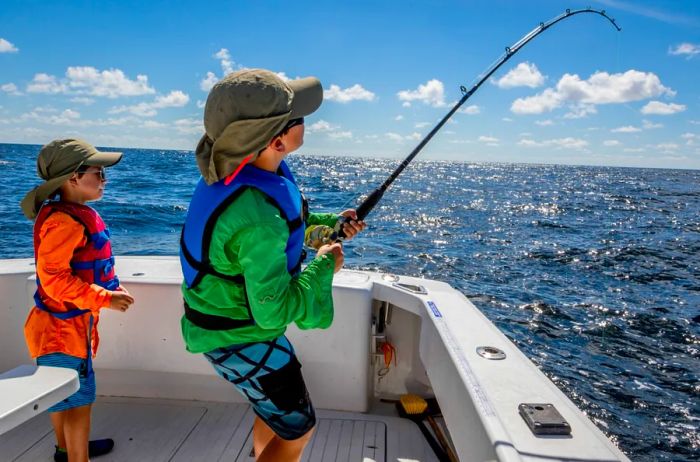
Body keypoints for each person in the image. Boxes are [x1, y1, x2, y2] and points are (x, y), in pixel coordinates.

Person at [180, 69, 365, 461]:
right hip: (240, 339)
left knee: (274, 414)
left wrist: (331, 226)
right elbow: (272, 311)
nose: (304, 120)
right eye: (296, 116)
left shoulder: (247, 170)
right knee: (300, 428)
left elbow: (289, 225)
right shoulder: (257, 217)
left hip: (229, 328)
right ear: (277, 139)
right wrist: (323, 266)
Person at [20, 139, 135, 462]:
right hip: (62, 332)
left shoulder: (65, 215)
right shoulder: (66, 222)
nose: (104, 180)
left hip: (57, 328)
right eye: (98, 173)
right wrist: (104, 297)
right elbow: (54, 280)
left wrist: (108, 290)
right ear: (73, 178)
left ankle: (64, 450)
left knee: (60, 396)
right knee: (78, 401)